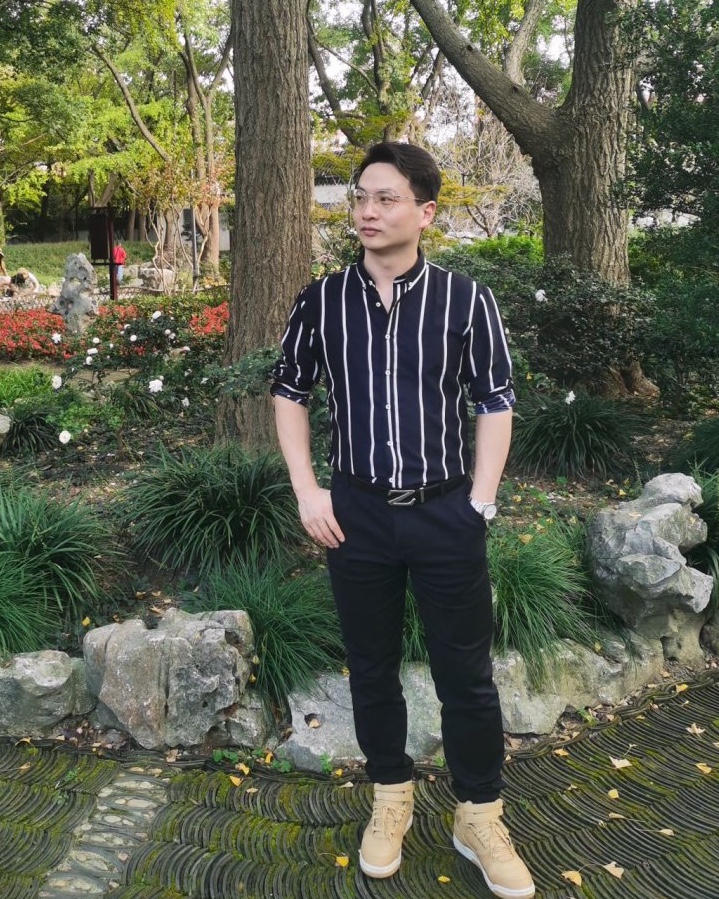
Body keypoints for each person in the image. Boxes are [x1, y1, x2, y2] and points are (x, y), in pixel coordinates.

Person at [271, 141, 535, 899]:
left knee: (466, 676)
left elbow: (494, 401)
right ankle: (391, 796)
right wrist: (308, 491)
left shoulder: (466, 300)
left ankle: (479, 815)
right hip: (354, 515)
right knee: (371, 666)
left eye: (385, 198)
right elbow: (289, 392)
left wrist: (480, 500)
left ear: (424, 212)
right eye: (360, 196)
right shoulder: (321, 300)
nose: (366, 210)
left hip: (446, 511)